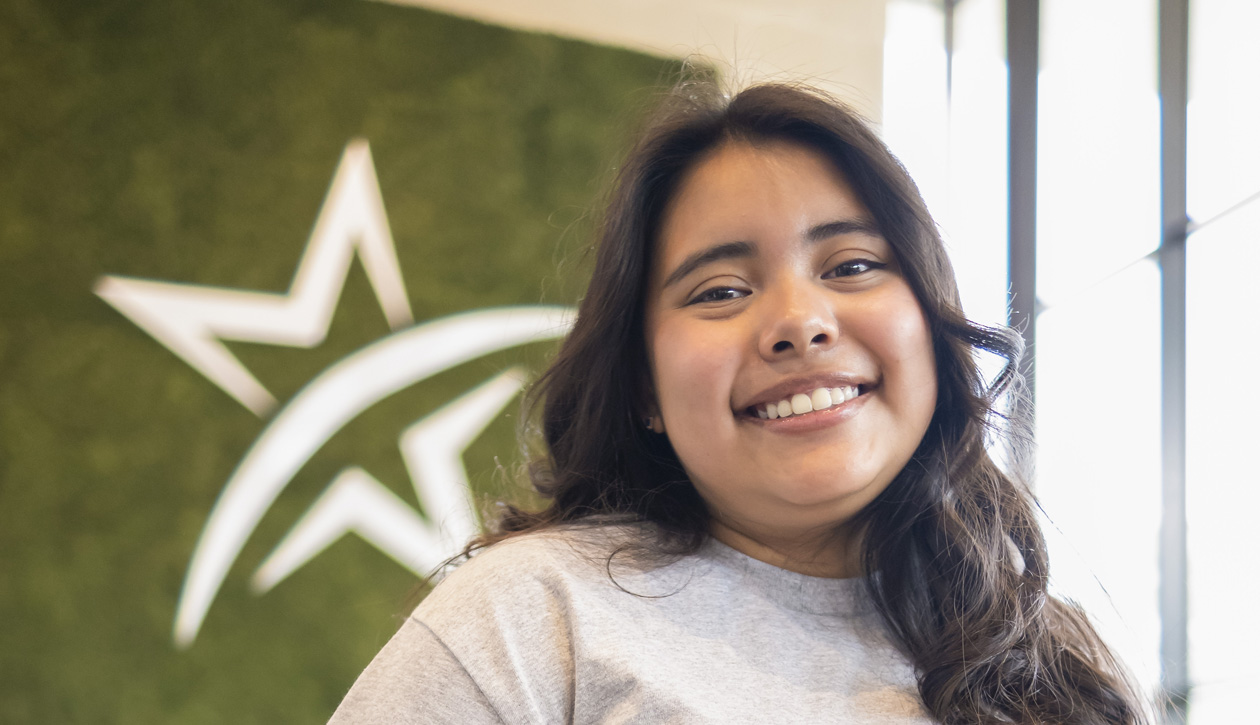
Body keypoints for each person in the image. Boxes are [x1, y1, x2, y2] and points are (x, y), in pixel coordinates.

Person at [329, 81, 1146, 724]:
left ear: (929, 325)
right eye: (720, 289)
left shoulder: (1054, 657)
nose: (798, 322)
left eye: (852, 265)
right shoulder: (530, 616)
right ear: (644, 386)